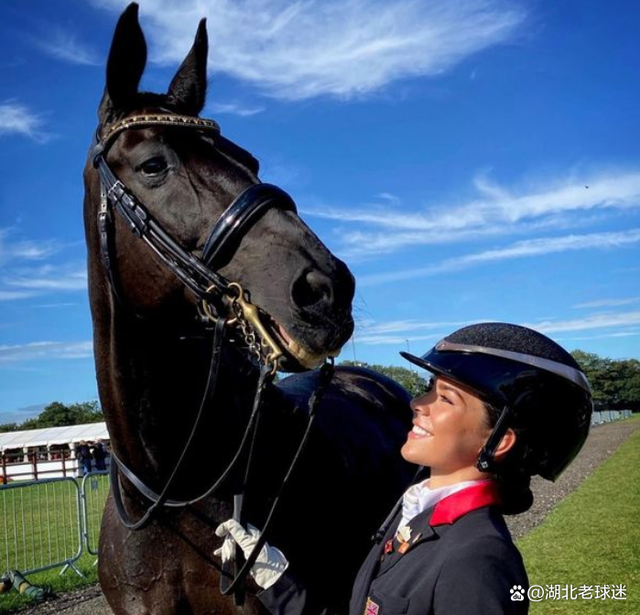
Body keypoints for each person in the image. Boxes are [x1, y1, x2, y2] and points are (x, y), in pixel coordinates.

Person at [214, 323, 593, 615]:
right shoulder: (411, 516)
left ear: (500, 441)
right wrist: (279, 583)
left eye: (444, 398)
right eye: (429, 387)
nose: (416, 402)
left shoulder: (478, 564)